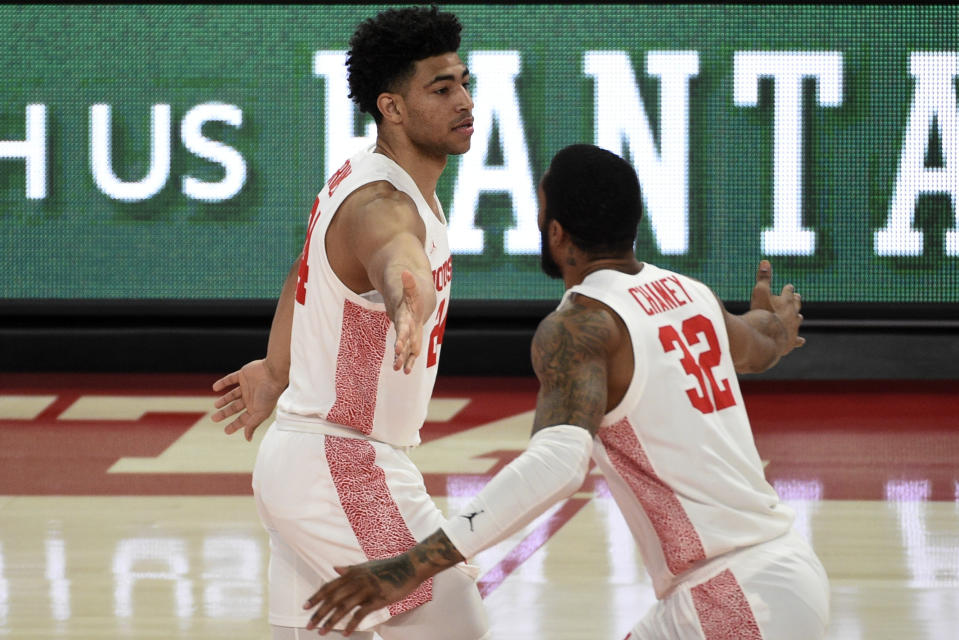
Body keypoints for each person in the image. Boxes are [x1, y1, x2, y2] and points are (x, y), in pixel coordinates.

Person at [301, 144, 831, 639]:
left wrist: (410, 565)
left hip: (734, 594)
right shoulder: (691, 295)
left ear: (556, 232)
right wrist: (775, 322)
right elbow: (758, 344)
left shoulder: (582, 325)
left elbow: (557, 465)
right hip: (778, 571)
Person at [209, 6, 489, 640]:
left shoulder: (365, 174)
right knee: (457, 628)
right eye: (441, 89)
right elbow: (395, 251)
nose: (464, 100)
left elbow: (301, 269)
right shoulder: (381, 202)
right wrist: (403, 292)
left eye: (465, 83)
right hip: (344, 467)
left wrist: (276, 368)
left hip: (306, 463)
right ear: (392, 107)